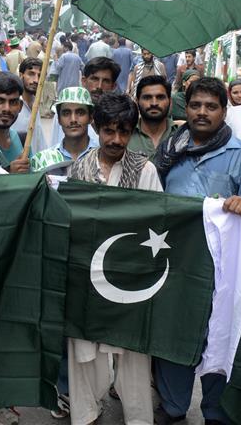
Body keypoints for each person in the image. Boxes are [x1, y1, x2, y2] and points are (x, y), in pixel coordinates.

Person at [152, 77, 241, 425]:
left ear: (223, 111)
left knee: (220, 336)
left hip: (222, 270)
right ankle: (174, 406)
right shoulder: (168, 151)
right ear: (186, 108)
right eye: (195, 105)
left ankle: (215, 412)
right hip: (173, 263)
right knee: (173, 334)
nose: (202, 113)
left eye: (211, 106)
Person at [67, 92, 160, 425]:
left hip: (130, 278)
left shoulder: (145, 169)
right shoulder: (79, 168)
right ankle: (85, 414)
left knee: (134, 354)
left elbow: (158, 222)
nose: (116, 139)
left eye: (123, 131)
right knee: (83, 351)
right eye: (109, 131)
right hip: (87, 280)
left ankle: (138, 419)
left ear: (132, 131)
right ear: (97, 128)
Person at [49, 57, 121, 147]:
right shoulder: (64, 111)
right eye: (94, 79)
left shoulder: (118, 117)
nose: (99, 86)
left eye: (106, 81)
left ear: (113, 86)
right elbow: (54, 146)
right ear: (84, 81)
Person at [30, 87, 97, 175]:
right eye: (66, 113)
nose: (73, 119)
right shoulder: (45, 160)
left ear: (90, 117)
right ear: (59, 119)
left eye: (80, 112)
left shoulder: (101, 156)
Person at [128, 75, 179, 158]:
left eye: (160, 97)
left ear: (170, 101)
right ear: (137, 101)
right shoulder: (125, 134)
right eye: (147, 97)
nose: (154, 103)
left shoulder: (181, 135)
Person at [12, 58, 48, 152]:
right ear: (21, 75)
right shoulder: (12, 106)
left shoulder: (35, 104)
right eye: (31, 74)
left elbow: (39, 139)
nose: (36, 80)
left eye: (40, 75)